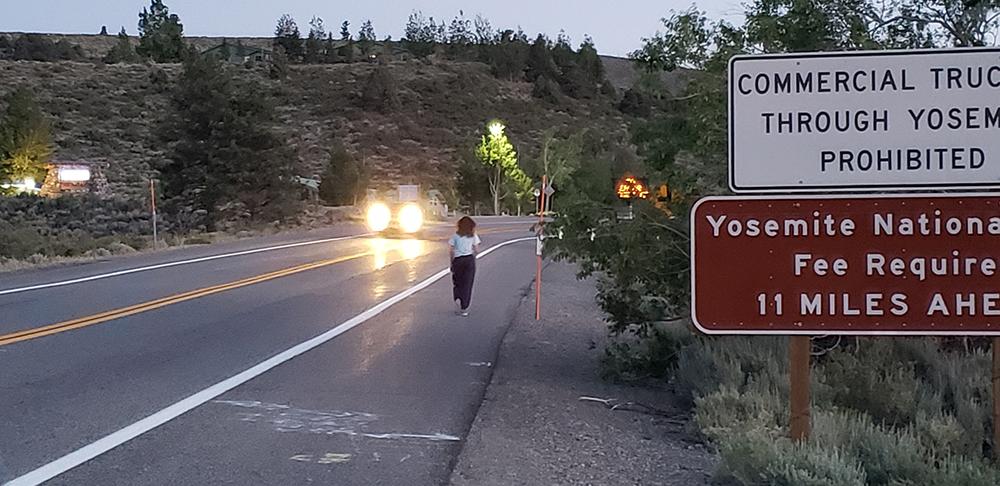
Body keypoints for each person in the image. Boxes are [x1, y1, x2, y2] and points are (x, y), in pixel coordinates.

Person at [448, 216, 481, 316]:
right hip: (469, 260)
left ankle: (457, 297)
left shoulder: (455, 236)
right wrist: (473, 257)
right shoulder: (473, 236)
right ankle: (464, 308)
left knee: (458, 281)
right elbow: (476, 249)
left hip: (458, 260)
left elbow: (451, 250)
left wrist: (452, 262)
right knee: (468, 283)